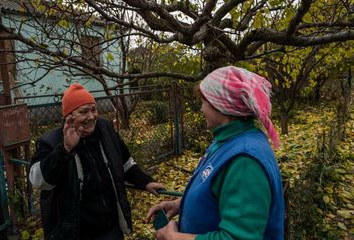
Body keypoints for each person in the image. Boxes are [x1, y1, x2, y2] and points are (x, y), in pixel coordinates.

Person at [146, 66, 284, 240]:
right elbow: (218, 192)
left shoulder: (244, 162)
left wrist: (174, 237)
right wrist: (180, 204)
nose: (202, 109)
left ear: (222, 106)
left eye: (204, 102)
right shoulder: (228, 140)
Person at [29, 83, 164, 240]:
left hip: (110, 228)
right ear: (69, 116)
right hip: (75, 232)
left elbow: (125, 162)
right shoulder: (51, 141)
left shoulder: (104, 129)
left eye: (94, 109)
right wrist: (64, 149)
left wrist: (145, 182)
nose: (91, 116)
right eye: (84, 111)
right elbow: (38, 181)